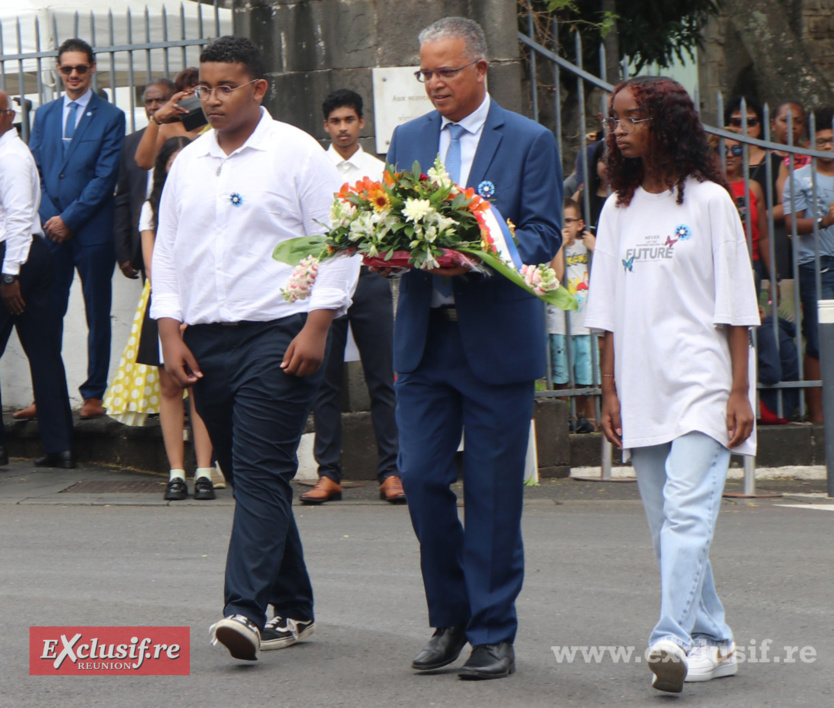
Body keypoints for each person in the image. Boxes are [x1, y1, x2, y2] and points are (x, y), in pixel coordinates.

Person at [150, 36, 358, 661]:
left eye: (226, 87)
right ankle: (294, 606)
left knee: (262, 471)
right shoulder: (189, 161)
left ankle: (243, 610)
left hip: (279, 333)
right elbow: (169, 252)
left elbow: (340, 242)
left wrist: (317, 325)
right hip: (206, 339)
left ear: (258, 88)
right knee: (247, 476)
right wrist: (169, 331)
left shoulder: (296, 152)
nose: (211, 100)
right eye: (204, 89)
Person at [385, 17, 562, 680]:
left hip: (495, 339)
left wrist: (478, 253)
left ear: (480, 69)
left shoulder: (529, 140)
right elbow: (390, 222)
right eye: (426, 73)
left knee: (491, 493)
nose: (435, 83)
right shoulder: (408, 139)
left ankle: (493, 631)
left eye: (447, 71)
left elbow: (543, 234)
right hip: (425, 340)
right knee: (421, 478)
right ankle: (452, 614)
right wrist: (383, 249)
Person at [585, 76, 759, 694]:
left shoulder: (710, 202)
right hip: (642, 386)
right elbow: (605, 310)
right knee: (668, 528)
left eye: (633, 117)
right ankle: (716, 641)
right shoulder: (618, 209)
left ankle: (671, 638)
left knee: (686, 515)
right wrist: (609, 389)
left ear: (668, 122)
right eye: (614, 119)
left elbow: (736, 304)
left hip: (703, 384)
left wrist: (739, 391)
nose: (619, 129)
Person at [301, 88, 403, 505]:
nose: (342, 128)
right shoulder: (313, 167)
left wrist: (387, 262)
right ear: (325, 126)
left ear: (361, 122)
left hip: (369, 278)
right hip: (326, 280)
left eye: (349, 120)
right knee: (324, 380)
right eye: (335, 121)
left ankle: (392, 471)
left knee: (383, 377)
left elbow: (395, 224)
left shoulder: (379, 170)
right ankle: (329, 473)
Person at [26, 37, 125, 421]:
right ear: (58, 69)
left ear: (92, 69)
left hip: (92, 233)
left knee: (97, 314)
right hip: (52, 231)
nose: (73, 75)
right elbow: (36, 171)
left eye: (80, 68)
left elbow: (105, 177)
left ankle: (93, 394)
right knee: (46, 314)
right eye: (66, 68)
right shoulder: (45, 115)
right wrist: (54, 218)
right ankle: (46, 395)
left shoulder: (111, 116)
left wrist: (71, 219)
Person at [136, 136, 215, 501]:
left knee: (200, 389)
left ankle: (205, 472)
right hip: (166, 303)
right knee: (169, 388)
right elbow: (154, 265)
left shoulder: (206, 199)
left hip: (202, 301)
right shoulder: (151, 207)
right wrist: (173, 312)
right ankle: (176, 473)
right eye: (173, 162)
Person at [0, 89, 75, 468]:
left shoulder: (10, 156)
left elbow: (16, 217)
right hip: (29, 254)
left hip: (15, 256)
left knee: (43, 352)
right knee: (44, 352)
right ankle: (60, 446)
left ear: (8, 115)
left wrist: (9, 274)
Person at [782, 106, 834, 424]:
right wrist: (824, 220)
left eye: (832, 140)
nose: (827, 146)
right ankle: (818, 418)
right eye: (822, 141)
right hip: (817, 265)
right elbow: (791, 224)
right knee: (817, 339)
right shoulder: (799, 178)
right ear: (810, 145)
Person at [114, 78, 175, 281]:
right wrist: (124, 250)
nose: (154, 107)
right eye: (149, 101)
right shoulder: (130, 143)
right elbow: (123, 197)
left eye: (160, 100)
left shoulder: (187, 139)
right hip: (144, 235)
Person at [547, 197, 596, 433]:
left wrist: (596, 247)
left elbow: (609, 269)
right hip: (559, 322)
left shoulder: (587, 246)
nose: (565, 226)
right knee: (562, 375)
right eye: (560, 221)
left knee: (587, 375)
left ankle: (589, 420)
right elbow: (555, 277)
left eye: (569, 220)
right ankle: (565, 420)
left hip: (584, 323)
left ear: (580, 224)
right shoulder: (551, 247)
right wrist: (559, 245)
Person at [720, 132, 772, 293]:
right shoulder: (708, 187)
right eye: (723, 149)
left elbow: (763, 237)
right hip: (719, 265)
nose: (730, 154)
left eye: (737, 150)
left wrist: (773, 278)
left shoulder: (753, 188)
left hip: (750, 263)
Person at [134, 68, 204, 171]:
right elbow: (144, 162)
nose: (194, 97)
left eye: (199, 91)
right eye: (188, 93)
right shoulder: (167, 129)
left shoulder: (220, 126)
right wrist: (156, 119)